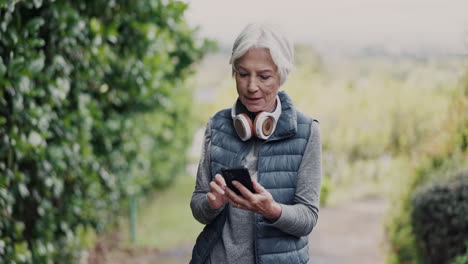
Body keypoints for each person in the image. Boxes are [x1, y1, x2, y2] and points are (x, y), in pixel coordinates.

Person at [189, 22, 322, 264]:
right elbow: (198, 205)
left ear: (281, 76)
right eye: (243, 74)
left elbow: (308, 217)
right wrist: (212, 203)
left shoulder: (307, 131)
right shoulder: (216, 126)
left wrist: (272, 210)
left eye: (264, 76)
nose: (251, 87)